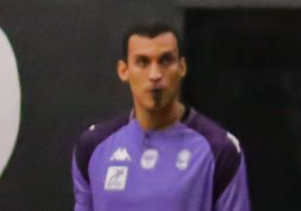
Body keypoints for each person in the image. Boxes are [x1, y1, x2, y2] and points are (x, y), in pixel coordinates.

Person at [72, 22, 250, 210]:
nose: (155, 75)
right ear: (123, 71)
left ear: (182, 67)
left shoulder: (219, 149)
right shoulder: (93, 146)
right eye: (143, 62)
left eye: (165, 61)